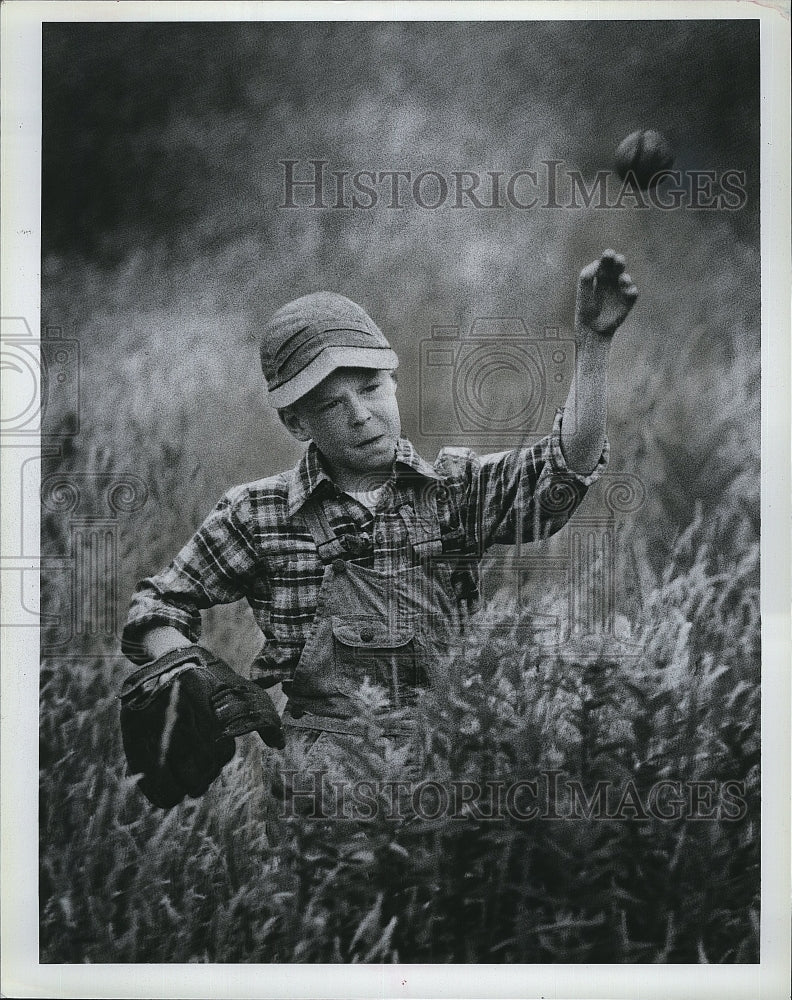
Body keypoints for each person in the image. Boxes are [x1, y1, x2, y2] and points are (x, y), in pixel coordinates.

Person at [120, 250, 638, 816]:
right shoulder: (257, 514)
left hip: (454, 760)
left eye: (369, 388)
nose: (361, 415)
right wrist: (187, 669)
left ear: (394, 382)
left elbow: (563, 468)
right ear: (297, 423)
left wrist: (593, 346)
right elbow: (155, 609)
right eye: (330, 404)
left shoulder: (455, 491)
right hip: (322, 783)